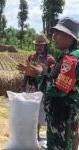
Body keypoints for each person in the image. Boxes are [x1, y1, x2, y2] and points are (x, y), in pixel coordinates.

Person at [17, 17, 79, 150]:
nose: (54, 37)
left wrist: (38, 75)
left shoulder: (71, 59)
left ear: (69, 36)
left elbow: (58, 89)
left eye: (57, 33)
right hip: (61, 116)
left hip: (62, 119)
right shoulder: (67, 56)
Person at [21, 34, 55, 141]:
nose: (39, 47)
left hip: (42, 89)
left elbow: (52, 75)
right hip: (30, 88)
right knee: (30, 110)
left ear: (45, 46)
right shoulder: (31, 57)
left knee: (39, 111)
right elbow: (26, 72)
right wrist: (23, 84)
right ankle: (30, 134)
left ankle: (37, 134)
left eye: (41, 45)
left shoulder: (50, 60)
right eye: (37, 45)